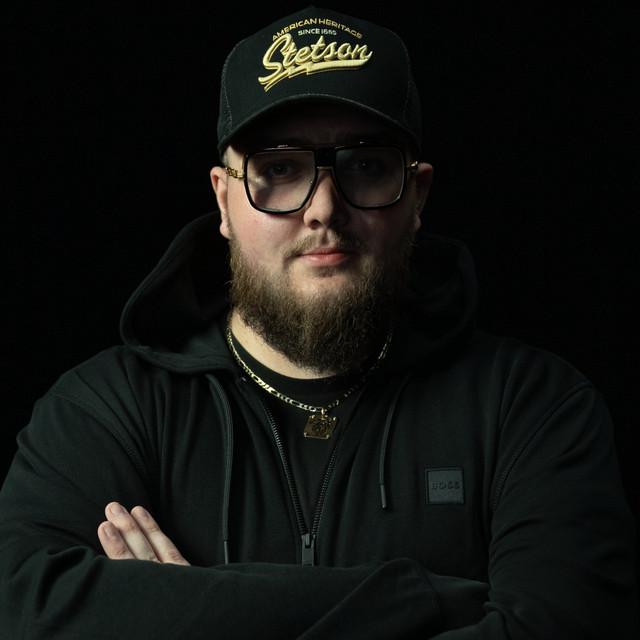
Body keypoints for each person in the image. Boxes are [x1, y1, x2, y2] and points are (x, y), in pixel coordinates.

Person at [0, 5, 637, 638]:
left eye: (366, 166)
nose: (324, 209)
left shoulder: (530, 406)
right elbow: (26, 612)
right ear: (224, 198)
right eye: (280, 169)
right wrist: (432, 602)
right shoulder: (105, 410)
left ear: (416, 196)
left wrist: (179, 614)